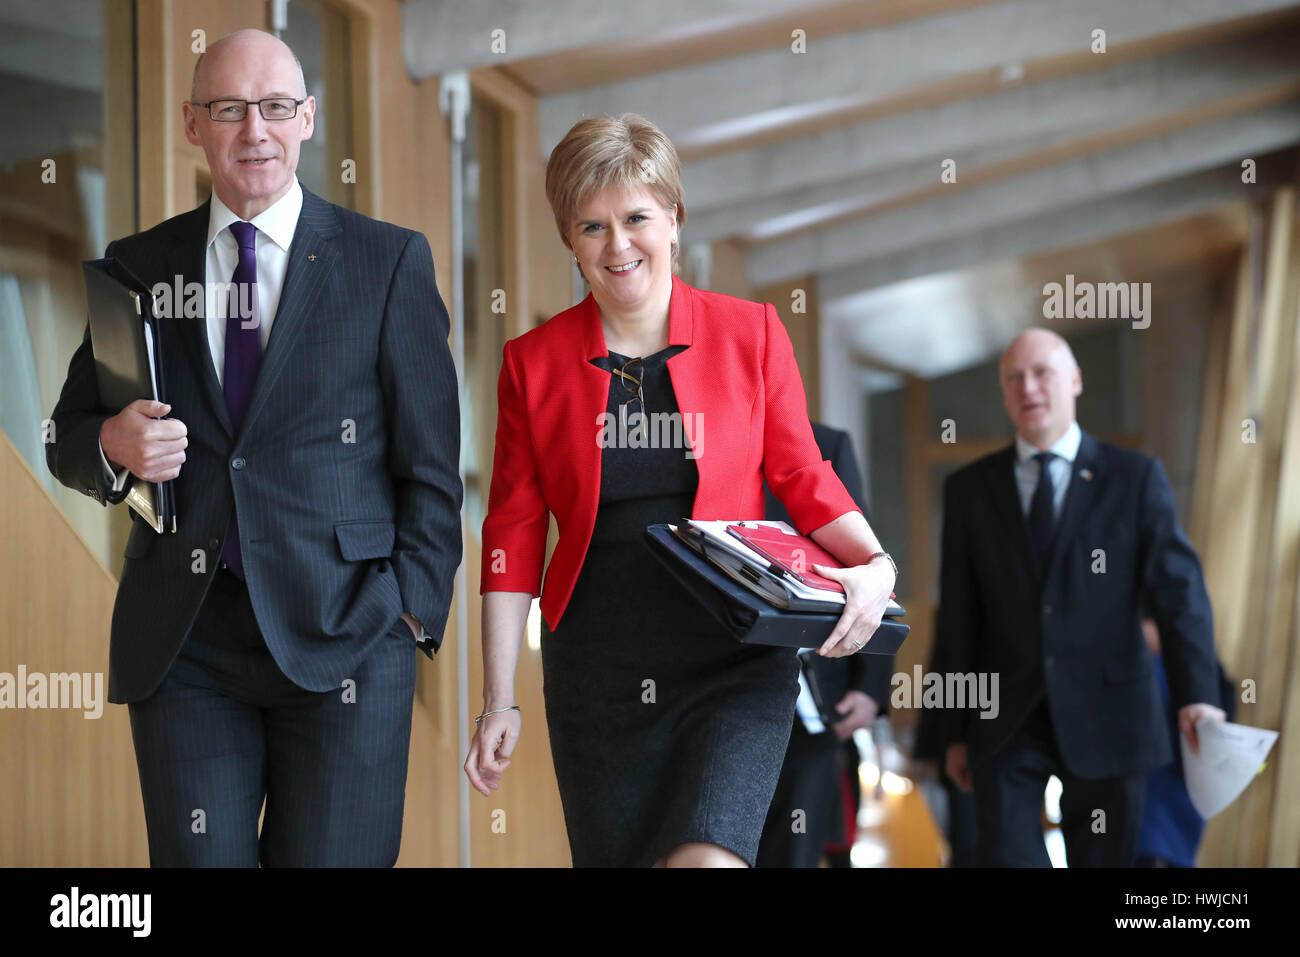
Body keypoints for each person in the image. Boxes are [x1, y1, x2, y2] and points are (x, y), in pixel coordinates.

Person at [45, 29, 461, 866]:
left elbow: (432, 472)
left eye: (274, 108)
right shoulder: (137, 266)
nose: (254, 131)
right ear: (194, 125)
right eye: (229, 110)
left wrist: (407, 614)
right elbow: (64, 435)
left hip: (348, 632)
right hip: (189, 642)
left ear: (306, 119)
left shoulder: (387, 263)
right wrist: (114, 443)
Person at [464, 114, 897, 868]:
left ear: (674, 217)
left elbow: (803, 473)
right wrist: (498, 697)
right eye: (591, 226)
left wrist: (876, 566)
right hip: (598, 667)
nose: (617, 245)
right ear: (569, 238)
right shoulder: (532, 363)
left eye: (636, 218)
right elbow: (513, 534)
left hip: (733, 651)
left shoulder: (752, 333)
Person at [933, 328, 1224, 867]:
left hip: (1110, 712)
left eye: (1042, 372)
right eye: (1014, 378)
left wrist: (1196, 693)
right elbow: (958, 618)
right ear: (1004, 394)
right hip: (1005, 721)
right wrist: (951, 733)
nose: (1030, 387)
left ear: (1074, 380)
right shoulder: (970, 489)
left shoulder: (1135, 477)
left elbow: (1178, 592)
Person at [757, 422, 893, 868]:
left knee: (795, 853)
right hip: (709, 685)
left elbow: (866, 568)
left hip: (811, 699)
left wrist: (870, 687)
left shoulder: (826, 444)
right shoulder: (690, 439)